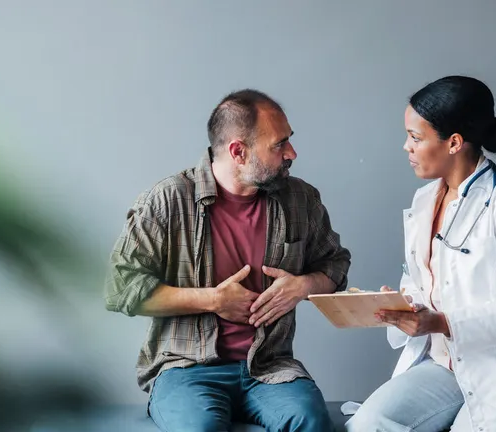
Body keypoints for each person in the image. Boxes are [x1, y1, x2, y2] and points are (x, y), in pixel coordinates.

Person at [104, 89, 351, 432]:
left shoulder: (300, 199)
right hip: (186, 369)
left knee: (310, 421)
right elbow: (120, 289)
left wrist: (304, 286)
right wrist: (213, 300)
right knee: (200, 429)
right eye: (279, 145)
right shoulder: (167, 200)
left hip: (269, 367)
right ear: (238, 151)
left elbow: (335, 265)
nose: (291, 153)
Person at [345, 76, 496, 432]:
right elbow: (424, 282)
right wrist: (404, 305)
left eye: (415, 138)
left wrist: (441, 322)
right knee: (368, 424)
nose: (406, 147)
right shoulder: (423, 201)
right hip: (445, 365)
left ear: (454, 143)